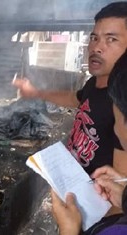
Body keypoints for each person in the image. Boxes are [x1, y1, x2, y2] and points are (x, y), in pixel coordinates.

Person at [13, 2, 127, 176]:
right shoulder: (95, 83)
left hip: (95, 197)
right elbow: (75, 98)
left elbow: (120, 185)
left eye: (111, 39)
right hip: (75, 180)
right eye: (94, 38)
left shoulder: (121, 102)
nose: (96, 47)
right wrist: (36, 93)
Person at [52, 48, 127, 235]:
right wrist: (124, 194)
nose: (117, 129)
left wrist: (69, 230)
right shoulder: (93, 84)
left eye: (119, 118)